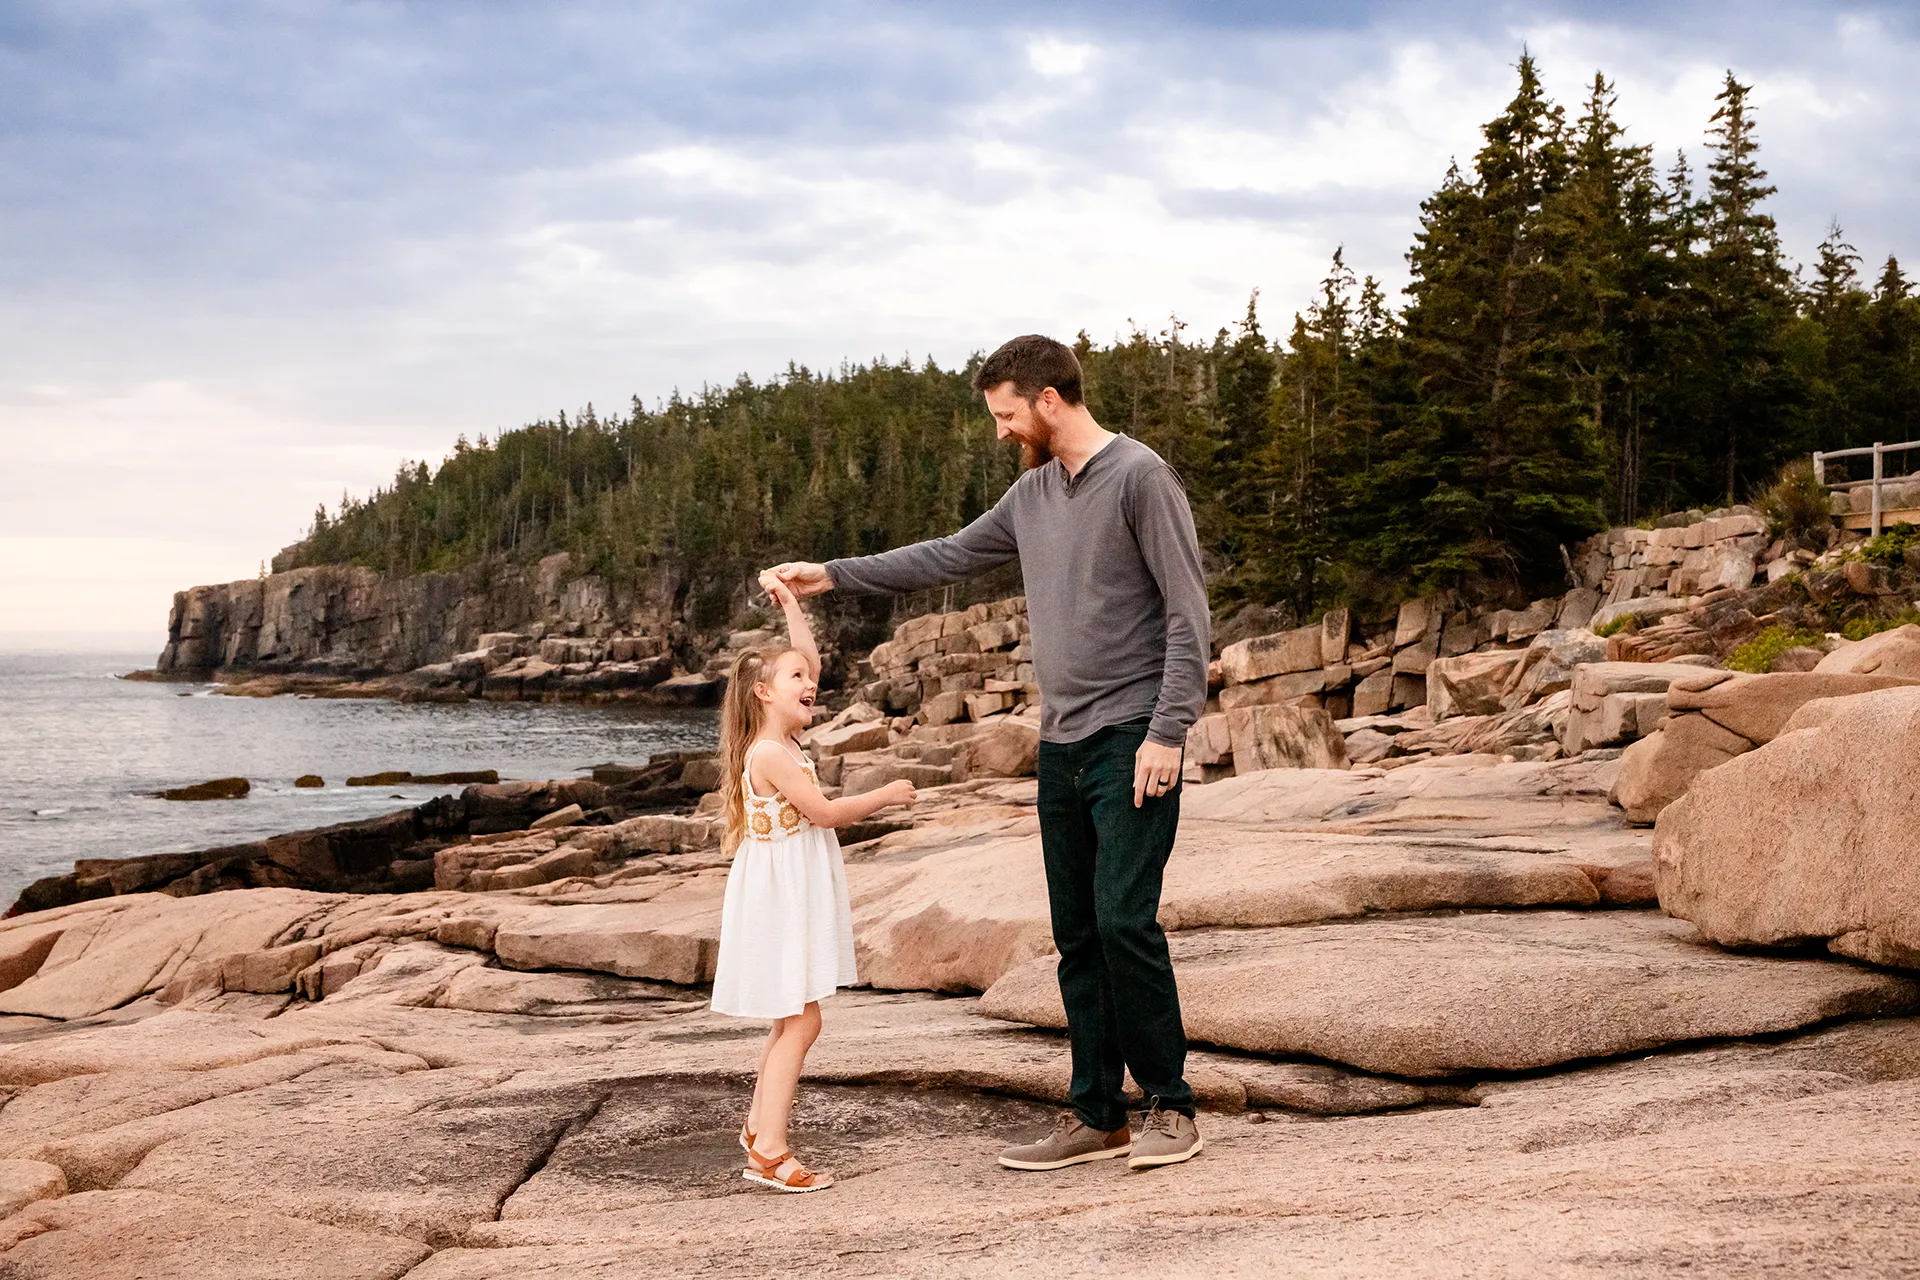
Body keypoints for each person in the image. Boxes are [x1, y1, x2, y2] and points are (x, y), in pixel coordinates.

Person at [768, 333, 1209, 1173]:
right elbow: (949, 554)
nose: (1003, 431)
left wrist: (1167, 731)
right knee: (1077, 934)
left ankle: (1169, 1106)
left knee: (1124, 920)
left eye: (1008, 415)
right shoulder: (1035, 494)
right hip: (1062, 743)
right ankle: (1097, 1114)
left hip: (1130, 738)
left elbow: (1188, 614)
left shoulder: (1141, 478)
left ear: (1049, 400)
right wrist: (832, 574)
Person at [709, 570, 918, 1193]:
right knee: (803, 1021)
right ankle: (769, 1150)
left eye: (808, 676)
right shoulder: (770, 754)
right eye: (795, 679)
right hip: (778, 898)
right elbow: (825, 814)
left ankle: (757, 1132)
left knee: (789, 1018)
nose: (811, 683)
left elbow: (811, 658)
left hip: (787, 887)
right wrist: (885, 794)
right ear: (763, 695)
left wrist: (794, 605)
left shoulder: (783, 739)